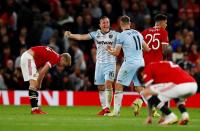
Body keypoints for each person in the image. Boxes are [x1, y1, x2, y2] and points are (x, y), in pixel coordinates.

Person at [64, 16, 119, 115]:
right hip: (99, 64)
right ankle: (104, 108)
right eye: (103, 23)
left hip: (110, 63)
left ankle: (107, 107)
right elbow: (81, 37)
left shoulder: (115, 34)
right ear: (100, 24)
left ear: (109, 24)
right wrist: (70, 35)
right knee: (100, 87)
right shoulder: (96, 34)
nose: (106, 24)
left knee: (108, 83)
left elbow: (126, 40)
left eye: (107, 22)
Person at [106, 15, 150, 116]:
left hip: (130, 63)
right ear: (129, 23)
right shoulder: (138, 33)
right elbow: (147, 49)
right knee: (139, 88)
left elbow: (116, 53)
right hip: (140, 63)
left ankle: (116, 112)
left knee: (118, 85)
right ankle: (153, 109)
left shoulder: (121, 35)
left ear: (120, 24)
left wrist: (109, 50)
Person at [136, 61, 197, 125]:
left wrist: (149, 116)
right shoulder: (161, 66)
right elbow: (165, 95)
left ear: (142, 73)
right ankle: (185, 116)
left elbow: (149, 92)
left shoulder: (147, 69)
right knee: (176, 96)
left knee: (145, 92)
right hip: (193, 84)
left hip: (179, 85)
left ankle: (171, 116)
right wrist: (162, 116)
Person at [132, 13, 169, 116]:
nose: (166, 25)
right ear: (161, 22)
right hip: (156, 64)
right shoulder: (163, 32)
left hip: (144, 63)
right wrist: (165, 60)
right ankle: (141, 103)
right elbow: (165, 49)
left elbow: (138, 47)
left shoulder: (145, 32)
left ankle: (140, 103)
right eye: (165, 23)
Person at [20, 46, 71, 114]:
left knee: (34, 84)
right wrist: (39, 83)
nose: (62, 66)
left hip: (29, 57)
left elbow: (41, 70)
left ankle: (35, 108)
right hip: (28, 58)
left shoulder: (54, 56)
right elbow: (42, 72)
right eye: (64, 64)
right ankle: (34, 109)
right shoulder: (56, 58)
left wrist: (39, 83)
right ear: (63, 58)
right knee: (33, 84)